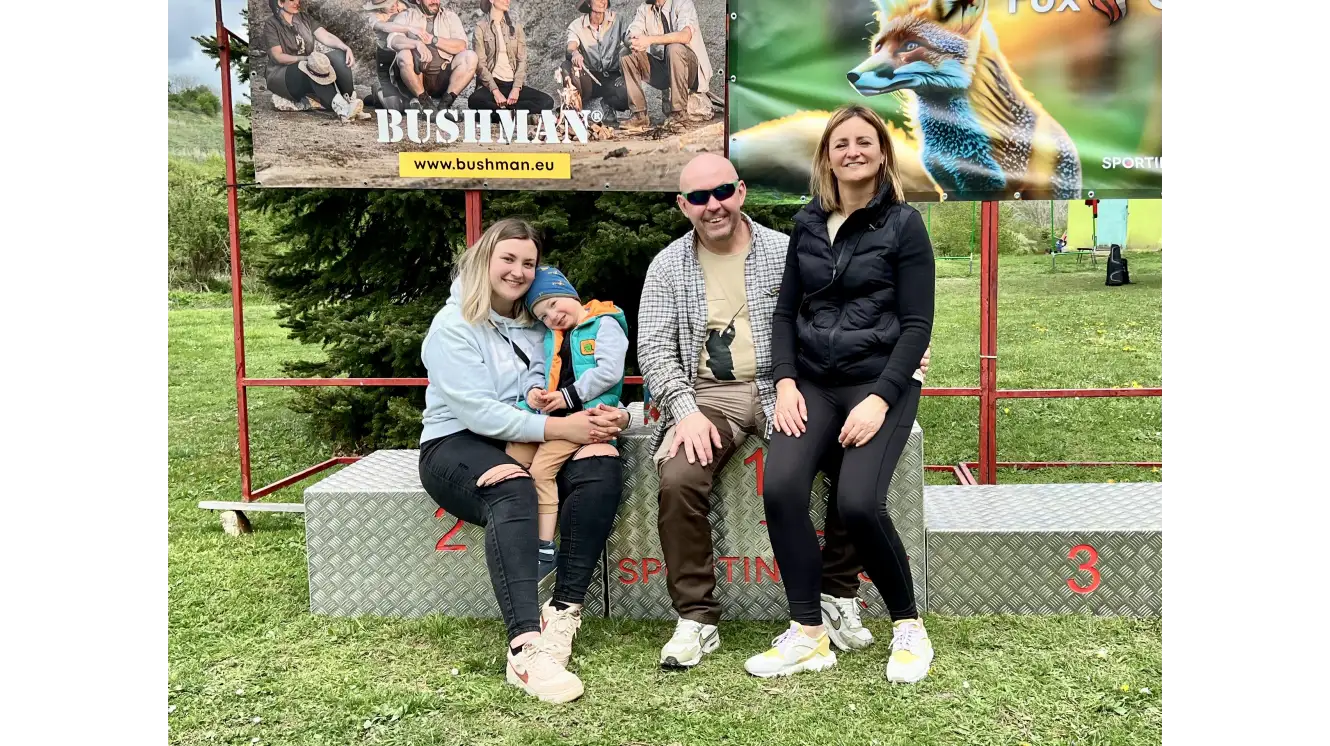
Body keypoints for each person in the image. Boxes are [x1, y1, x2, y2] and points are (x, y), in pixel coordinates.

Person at [637, 153, 931, 670]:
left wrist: (898, 356)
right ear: (683, 206)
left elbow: (840, 308)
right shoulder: (667, 266)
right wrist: (684, 411)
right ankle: (696, 617)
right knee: (679, 477)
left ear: (741, 192)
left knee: (847, 459)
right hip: (710, 396)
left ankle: (836, 595)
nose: (713, 205)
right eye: (699, 198)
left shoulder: (784, 247)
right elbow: (654, 349)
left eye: (722, 192)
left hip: (789, 388)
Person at [746, 104, 936, 683]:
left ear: (882, 153)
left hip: (881, 382)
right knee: (781, 488)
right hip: (812, 382)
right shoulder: (807, 223)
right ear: (827, 157)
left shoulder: (904, 224)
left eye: (864, 142)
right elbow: (784, 313)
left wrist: (880, 399)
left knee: (857, 503)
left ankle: (908, 626)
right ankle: (809, 635)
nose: (852, 151)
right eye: (841, 143)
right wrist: (785, 382)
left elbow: (917, 326)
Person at [418, 218, 630, 704]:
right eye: (508, 259)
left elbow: (584, 378)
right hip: (459, 441)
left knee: (600, 463)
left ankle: (564, 611)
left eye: (528, 263)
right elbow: (479, 413)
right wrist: (562, 429)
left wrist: (610, 416)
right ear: (484, 260)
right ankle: (525, 646)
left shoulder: (544, 322)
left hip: (539, 434)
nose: (518, 271)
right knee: (512, 487)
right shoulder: (453, 326)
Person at [506, 266, 629, 580]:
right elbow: (536, 369)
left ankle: (544, 548)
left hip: (586, 415)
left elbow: (609, 372)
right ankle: (515, 530)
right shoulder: (550, 337)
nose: (552, 317)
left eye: (553, 304)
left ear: (569, 294)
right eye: (543, 316)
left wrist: (567, 396)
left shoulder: (604, 323)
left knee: (541, 471)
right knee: (512, 458)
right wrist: (534, 392)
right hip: (550, 415)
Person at [621, 0, 715, 132]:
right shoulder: (645, 8)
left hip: (690, 72)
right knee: (626, 54)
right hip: (665, 71)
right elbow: (631, 33)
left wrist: (649, 40)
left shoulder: (683, 3)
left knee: (674, 48)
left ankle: (679, 114)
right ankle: (639, 115)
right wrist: (632, 40)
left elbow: (685, 36)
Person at [263, 0, 365, 121]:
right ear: (280, 3)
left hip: (307, 67)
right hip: (282, 76)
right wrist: (307, 59)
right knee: (311, 65)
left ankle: (351, 101)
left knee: (338, 55)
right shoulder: (271, 24)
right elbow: (278, 56)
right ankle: (342, 109)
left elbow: (326, 36)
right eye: (291, 0)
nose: (297, 2)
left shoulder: (304, 18)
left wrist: (345, 47)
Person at [468, 0, 556, 115]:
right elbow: (480, 65)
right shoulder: (481, 27)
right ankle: (514, 113)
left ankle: (504, 113)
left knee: (547, 101)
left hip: (512, 84)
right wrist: (495, 91)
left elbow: (522, 60)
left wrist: (516, 88)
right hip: (492, 85)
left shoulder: (515, 26)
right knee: (474, 101)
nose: (507, 1)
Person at [388, 0, 478, 111]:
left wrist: (433, 40)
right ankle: (424, 101)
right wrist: (417, 44)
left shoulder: (450, 17)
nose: (434, 1)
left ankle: (445, 103)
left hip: (442, 78)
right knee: (403, 54)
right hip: (415, 77)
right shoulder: (406, 16)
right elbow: (393, 40)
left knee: (470, 56)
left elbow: (461, 45)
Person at [562, 0, 632, 123]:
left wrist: (626, 73)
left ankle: (607, 104)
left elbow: (629, 39)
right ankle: (574, 108)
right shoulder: (576, 25)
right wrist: (575, 53)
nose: (603, 1)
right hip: (590, 76)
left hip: (612, 76)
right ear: (589, 3)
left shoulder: (618, 20)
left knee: (628, 93)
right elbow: (571, 46)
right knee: (566, 66)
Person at [361, 0, 428, 111]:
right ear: (380, 7)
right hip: (387, 58)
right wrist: (410, 28)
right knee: (396, 108)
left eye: (394, 2)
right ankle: (377, 93)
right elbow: (385, 27)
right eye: (388, 4)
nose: (393, 5)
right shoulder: (373, 16)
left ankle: (415, 96)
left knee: (414, 98)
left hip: (407, 54)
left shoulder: (405, 6)